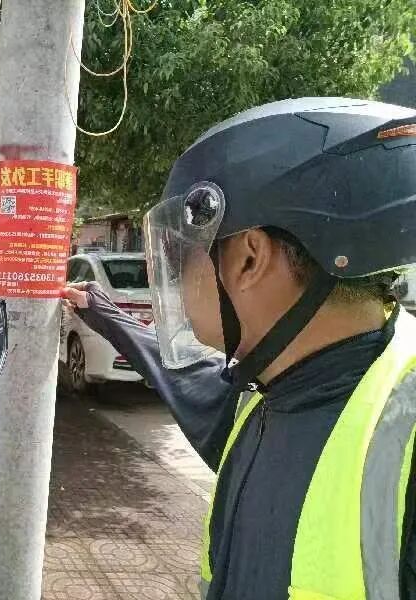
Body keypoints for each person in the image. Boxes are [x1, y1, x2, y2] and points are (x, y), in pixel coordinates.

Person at [62, 98, 416, 599]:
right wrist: (102, 312)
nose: (176, 284)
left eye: (184, 258)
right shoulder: (267, 393)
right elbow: (185, 379)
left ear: (249, 258)